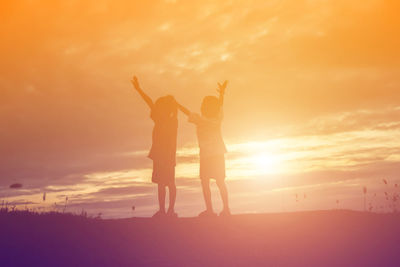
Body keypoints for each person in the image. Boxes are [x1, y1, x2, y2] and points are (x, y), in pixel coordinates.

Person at [178, 80, 230, 217]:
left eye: (203, 105)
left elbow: (187, 112)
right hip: (218, 154)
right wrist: (222, 94)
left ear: (206, 108)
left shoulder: (200, 120)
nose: (201, 106)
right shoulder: (218, 119)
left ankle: (210, 210)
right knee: (220, 181)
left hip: (207, 155)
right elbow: (220, 106)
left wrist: (176, 104)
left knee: (205, 182)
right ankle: (226, 209)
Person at [131, 76, 178, 218]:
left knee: (169, 182)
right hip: (159, 155)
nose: (155, 110)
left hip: (167, 155)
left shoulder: (172, 120)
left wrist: (171, 102)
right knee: (161, 183)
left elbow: (152, 103)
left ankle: (170, 210)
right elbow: (149, 102)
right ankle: (163, 210)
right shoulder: (161, 118)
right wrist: (139, 90)